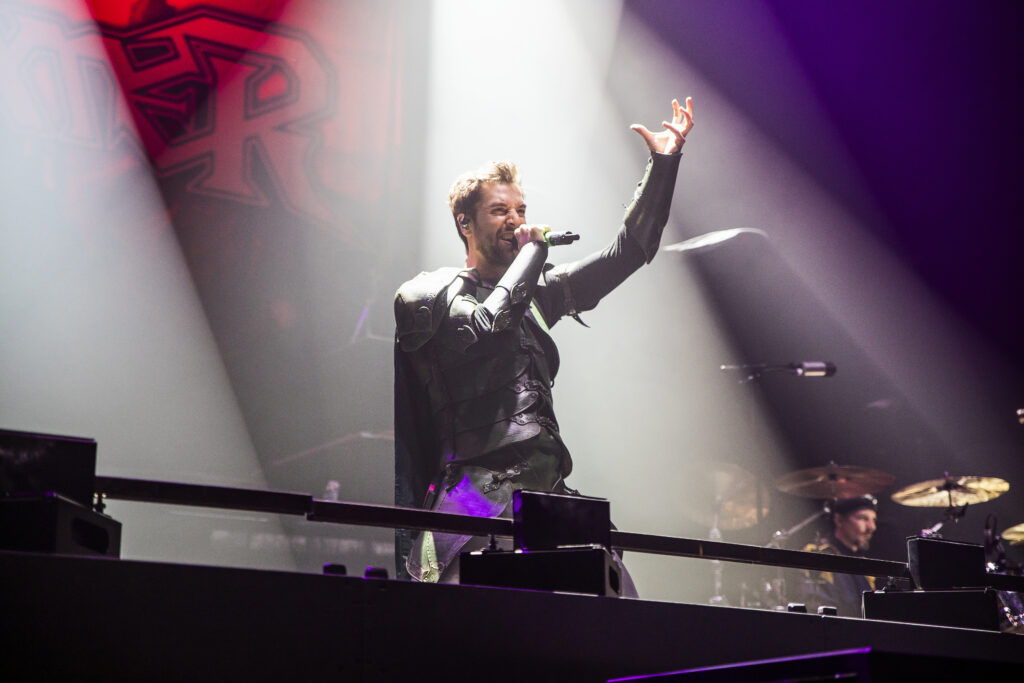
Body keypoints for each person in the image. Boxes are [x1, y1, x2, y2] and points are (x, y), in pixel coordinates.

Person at [393, 98, 695, 588]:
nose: (515, 220)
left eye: (521, 210)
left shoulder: (541, 292)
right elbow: (489, 328)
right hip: (471, 498)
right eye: (499, 211)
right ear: (465, 223)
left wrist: (663, 164)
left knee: (617, 604)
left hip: (545, 498)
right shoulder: (428, 294)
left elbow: (631, 251)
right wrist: (535, 251)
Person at [797, 495, 879, 617]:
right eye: (863, 518)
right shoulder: (817, 554)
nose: (872, 527)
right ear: (839, 520)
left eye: (873, 520)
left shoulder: (864, 565)